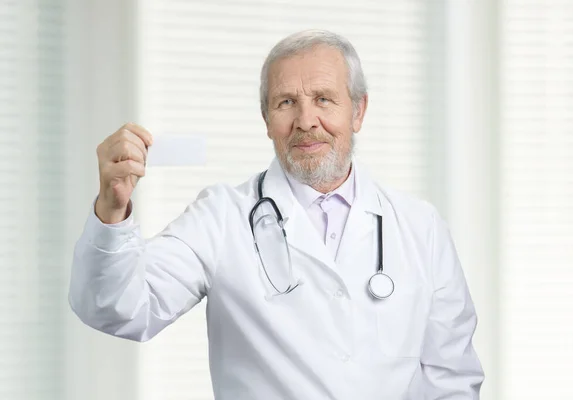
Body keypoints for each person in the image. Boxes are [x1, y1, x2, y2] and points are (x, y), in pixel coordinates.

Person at [68, 29, 484, 399]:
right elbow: (118, 307)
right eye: (286, 102)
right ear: (267, 119)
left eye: (324, 99)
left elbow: (451, 380)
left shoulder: (419, 227)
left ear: (358, 111)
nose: (306, 121)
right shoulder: (222, 217)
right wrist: (112, 208)